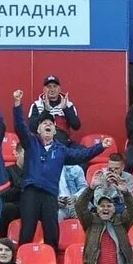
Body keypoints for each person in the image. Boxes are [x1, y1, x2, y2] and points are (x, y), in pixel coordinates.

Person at [12, 89, 105, 250]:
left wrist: (101, 147)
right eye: (44, 123)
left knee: (52, 230)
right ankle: (21, 263)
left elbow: (82, 155)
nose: (47, 124)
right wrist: (17, 104)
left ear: (55, 130)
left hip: (50, 194)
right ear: (38, 129)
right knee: (27, 230)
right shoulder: (31, 142)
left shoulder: (61, 150)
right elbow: (20, 126)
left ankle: (51, 259)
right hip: (31, 192)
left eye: (51, 123)